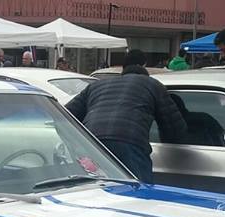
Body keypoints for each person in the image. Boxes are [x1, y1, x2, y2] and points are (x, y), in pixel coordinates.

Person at [65, 49, 187, 181]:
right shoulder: (153, 85)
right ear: (144, 65)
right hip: (129, 143)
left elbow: (65, 115)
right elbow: (174, 127)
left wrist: (75, 143)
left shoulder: (97, 85)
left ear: (123, 68)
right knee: (138, 190)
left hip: (92, 143)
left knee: (98, 190)